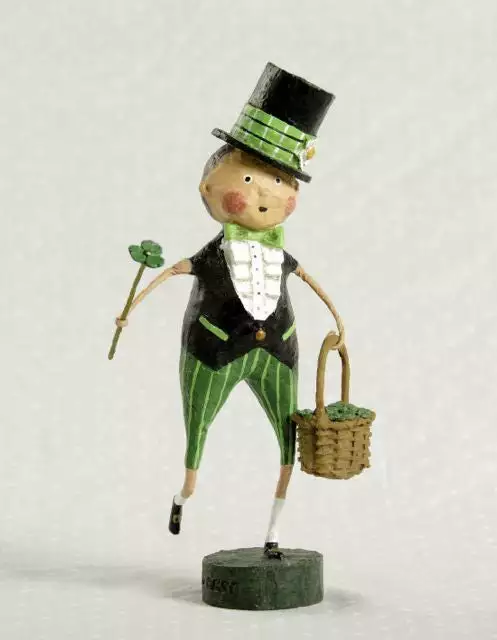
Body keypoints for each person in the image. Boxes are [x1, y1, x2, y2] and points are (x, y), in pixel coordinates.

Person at [115, 62, 344, 559]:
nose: (265, 191)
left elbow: (315, 286)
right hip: (212, 350)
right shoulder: (210, 255)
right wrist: (130, 310)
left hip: (279, 350)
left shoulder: (283, 255)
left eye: (280, 180)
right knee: (196, 432)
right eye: (249, 176)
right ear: (208, 188)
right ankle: (185, 494)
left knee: (287, 439)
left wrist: (338, 321)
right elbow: (170, 272)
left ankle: (274, 532)